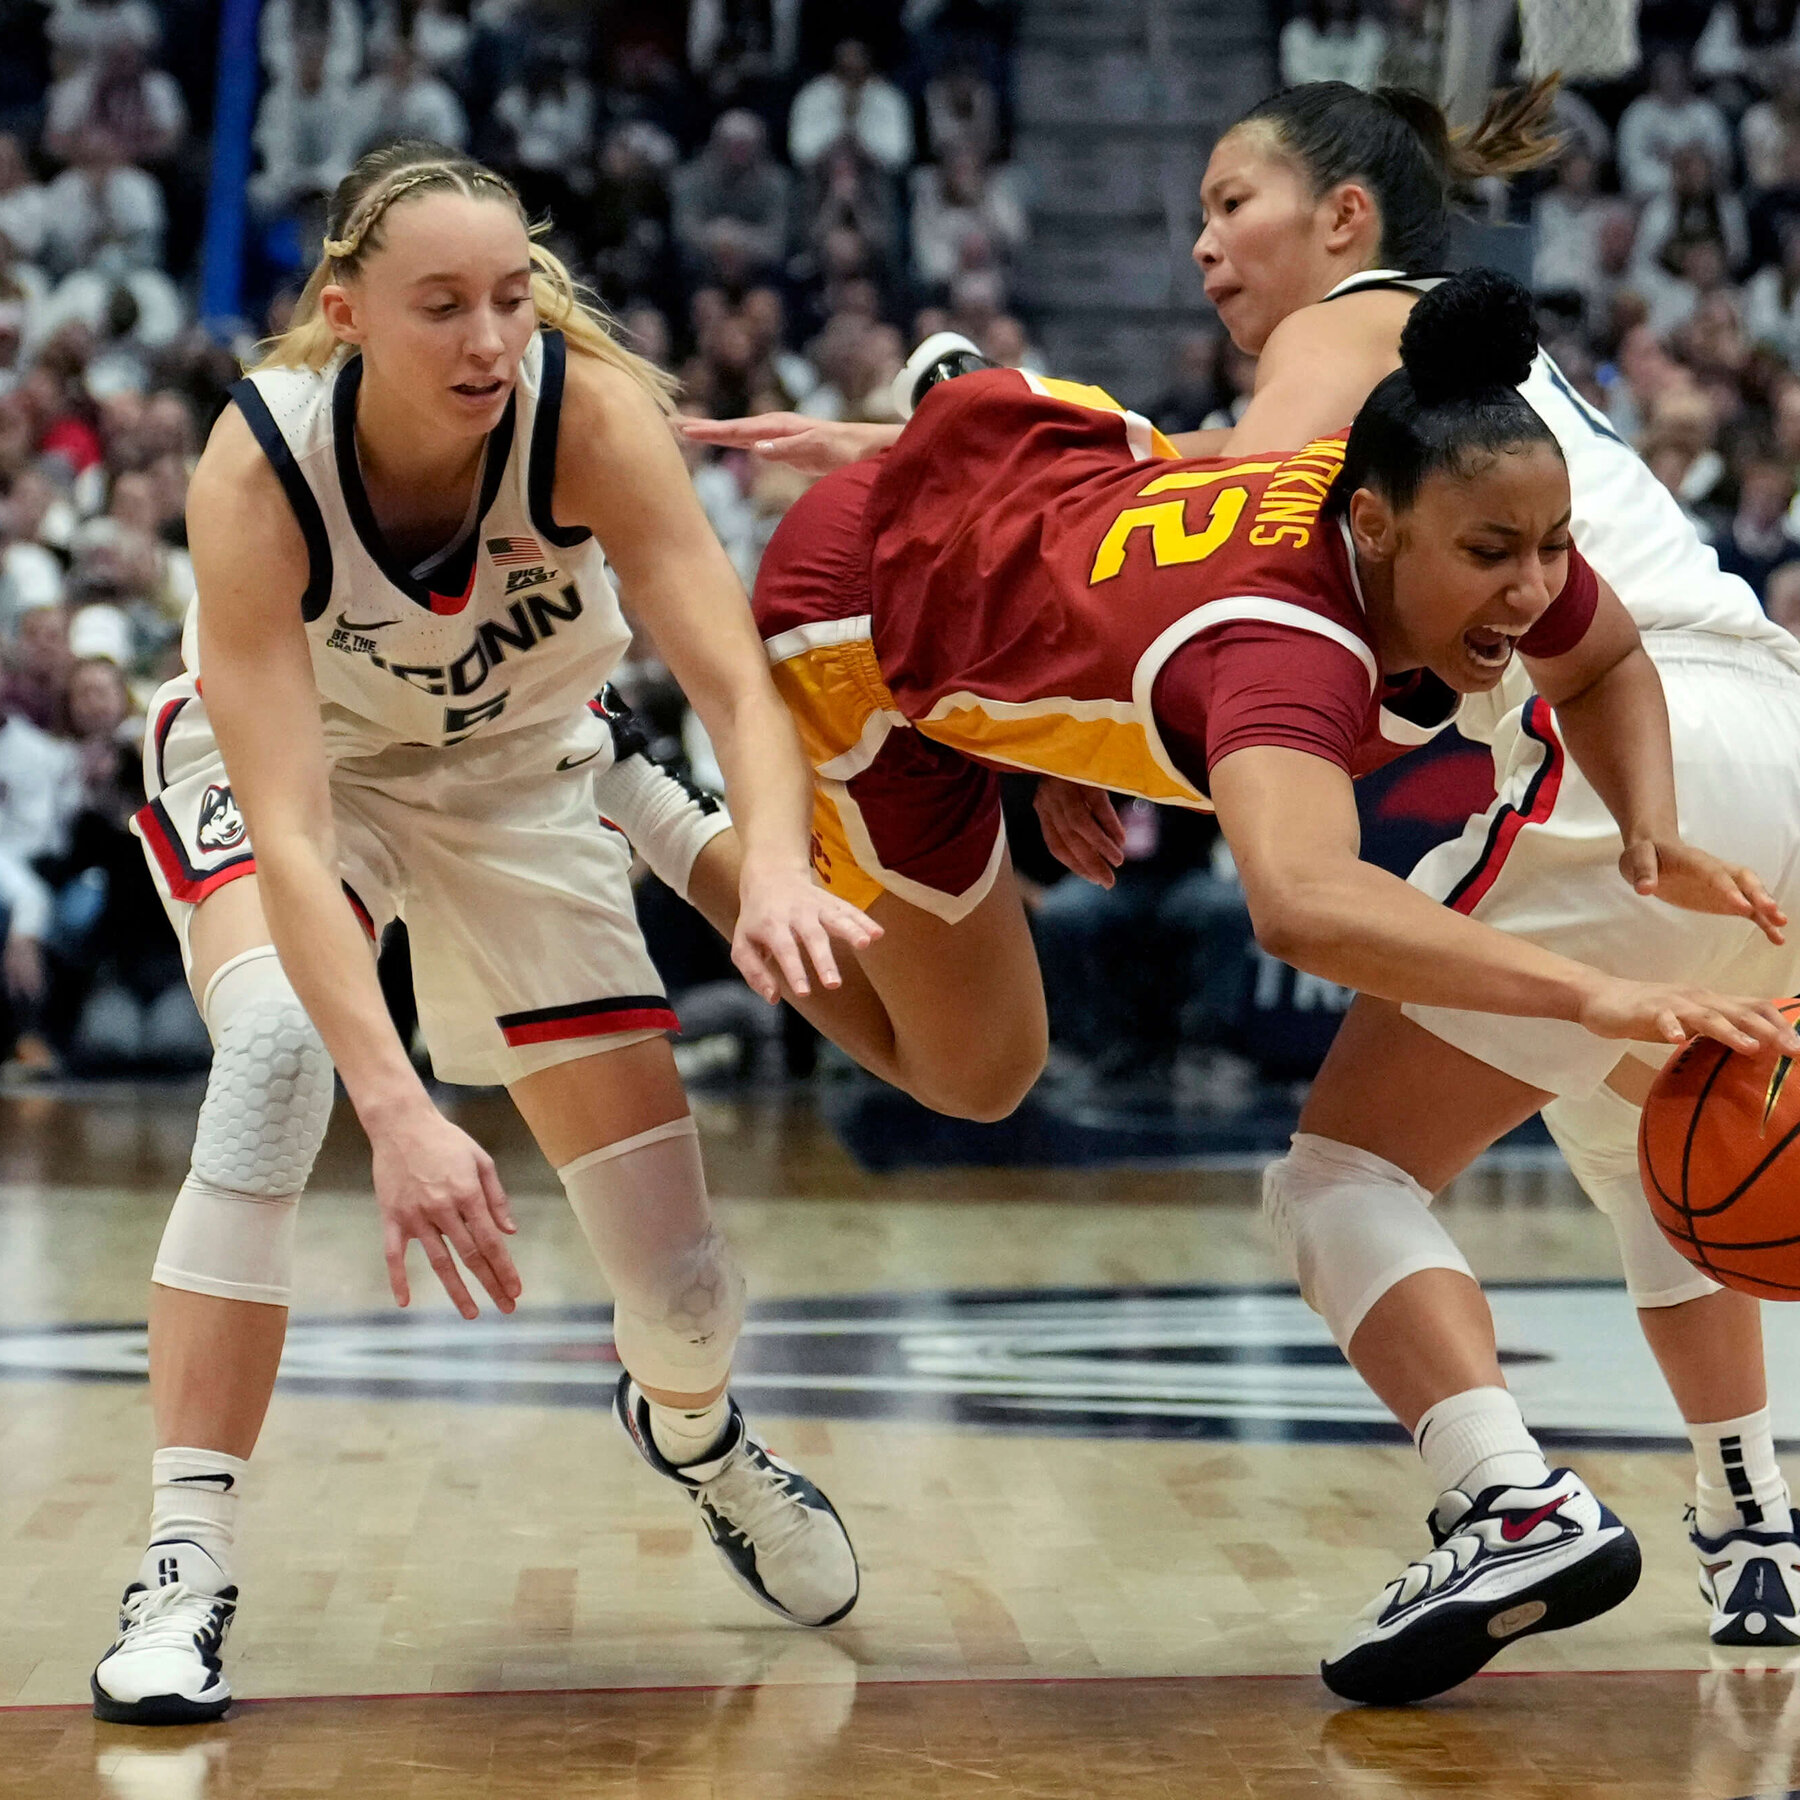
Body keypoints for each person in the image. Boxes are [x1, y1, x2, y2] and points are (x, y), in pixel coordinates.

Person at [687, 78, 1800, 1699]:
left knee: (1346, 1170)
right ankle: (1750, 1511)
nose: (1203, 244)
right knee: (1652, 1124)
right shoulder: (1463, 399)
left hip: (1639, 744)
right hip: (1765, 720)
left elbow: (1220, 528)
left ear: (1345, 219)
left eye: (1231, 204)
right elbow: (1195, 494)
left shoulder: (1360, 346)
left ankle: (1512, 1499)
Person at [90, 140, 874, 1728]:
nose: (488, 339)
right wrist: (400, 1112)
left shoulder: (588, 416)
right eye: (440, 305)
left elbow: (730, 681)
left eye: (512, 298)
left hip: (526, 781)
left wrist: (777, 868)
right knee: (273, 1054)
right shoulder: (258, 470)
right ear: (346, 313)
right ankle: (184, 1558)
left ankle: (701, 1437)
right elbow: (297, 835)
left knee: (689, 1294)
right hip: (311, 773)